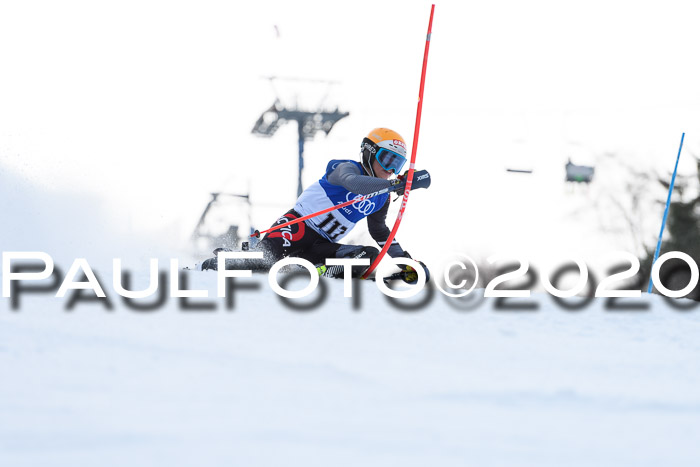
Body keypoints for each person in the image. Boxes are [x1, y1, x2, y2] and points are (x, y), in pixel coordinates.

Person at [200, 128, 431, 281]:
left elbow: (380, 232)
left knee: (369, 257)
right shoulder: (343, 168)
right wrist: (394, 186)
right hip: (297, 228)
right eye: (387, 159)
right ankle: (214, 265)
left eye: (397, 164)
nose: (391, 170)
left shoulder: (382, 196)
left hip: (322, 246)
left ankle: (313, 270)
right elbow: (353, 184)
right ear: (369, 153)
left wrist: (406, 262)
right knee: (264, 262)